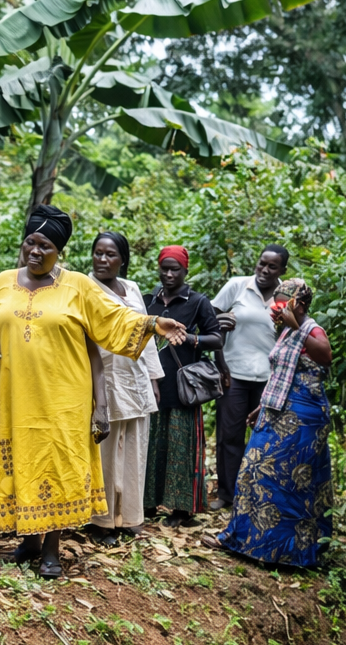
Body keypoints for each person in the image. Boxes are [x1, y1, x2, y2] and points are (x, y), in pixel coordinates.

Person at [0, 205, 188, 578]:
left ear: (60, 251)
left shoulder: (77, 286)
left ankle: (51, 550)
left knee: (57, 467)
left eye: (45, 246)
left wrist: (153, 323)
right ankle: (29, 541)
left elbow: (113, 319)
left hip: (62, 400)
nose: (35, 251)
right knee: (22, 462)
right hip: (14, 396)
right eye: (31, 242)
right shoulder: (3, 281)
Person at [217, 279, 333, 567]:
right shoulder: (286, 332)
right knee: (254, 471)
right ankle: (248, 542)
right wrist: (262, 407)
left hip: (305, 418)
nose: (276, 309)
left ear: (299, 305)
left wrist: (296, 327)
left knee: (293, 481)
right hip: (277, 410)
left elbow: (326, 356)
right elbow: (282, 375)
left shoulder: (312, 330)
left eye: (282, 303)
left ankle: (287, 554)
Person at [86, 232, 165, 545]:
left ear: (123, 260)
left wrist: (154, 378)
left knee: (134, 451)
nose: (103, 260)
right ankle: (102, 521)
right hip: (104, 379)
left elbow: (146, 333)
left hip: (136, 379)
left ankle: (129, 516)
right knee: (105, 454)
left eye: (110, 255)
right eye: (98, 253)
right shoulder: (85, 287)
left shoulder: (131, 288)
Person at [144, 245, 225, 524]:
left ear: (185, 270)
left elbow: (216, 338)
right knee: (152, 446)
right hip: (151, 386)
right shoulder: (149, 300)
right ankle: (148, 503)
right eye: (164, 269)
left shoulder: (198, 302)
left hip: (182, 388)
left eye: (175, 269)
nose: (169, 274)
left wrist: (191, 339)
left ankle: (181, 510)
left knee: (181, 447)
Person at [211, 244, 289, 509]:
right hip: (233, 374)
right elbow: (210, 320)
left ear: (282, 271)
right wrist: (221, 362)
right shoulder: (237, 286)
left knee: (265, 438)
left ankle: (257, 495)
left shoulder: (286, 296)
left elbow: (293, 334)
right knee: (230, 436)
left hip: (269, 379)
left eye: (272, 266)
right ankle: (227, 495)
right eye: (261, 264)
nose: (264, 270)